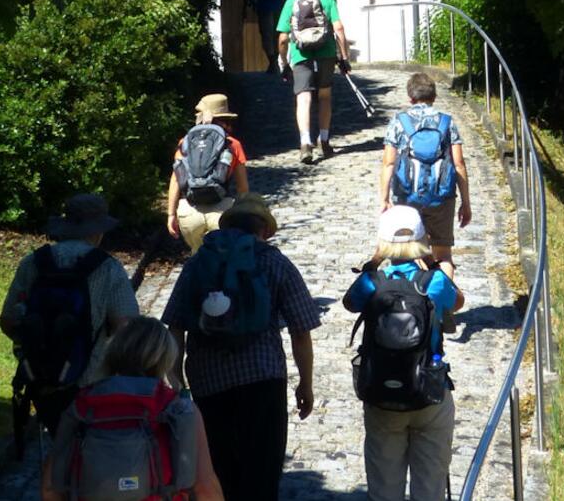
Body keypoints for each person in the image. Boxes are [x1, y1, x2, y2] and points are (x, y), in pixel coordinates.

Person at [162, 194, 320, 501]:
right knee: (262, 471)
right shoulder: (275, 262)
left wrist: (177, 382)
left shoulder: (197, 263)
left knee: (219, 470)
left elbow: (175, 326)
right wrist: (306, 384)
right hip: (262, 378)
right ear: (263, 229)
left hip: (208, 381)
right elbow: (301, 330)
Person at [343, 207, 463, 501]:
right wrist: (434, 264)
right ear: (422, 238)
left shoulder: (371, 283)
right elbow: (457, 301)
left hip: (381, 392)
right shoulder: (432, 283)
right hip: (429, 392)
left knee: (384, 487)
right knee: (430, 487)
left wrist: (373, 262)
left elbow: (349, 302)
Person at [41, 317, 225, 501]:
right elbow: (205, 488)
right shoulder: (177, 409)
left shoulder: (83, 405)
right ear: (165, 359)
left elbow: (50, 488)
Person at [0, 193, 139, 431]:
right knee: (84, 450)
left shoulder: (33, 262)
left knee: (57, 448)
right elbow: (125, 326)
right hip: (92, 381)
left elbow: (8, 321)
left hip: (40, 376)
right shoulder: (108, 268)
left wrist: (41, 345)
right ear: (98, 231)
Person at [378, 73, 471, 285]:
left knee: (408, 253)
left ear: (410, 97)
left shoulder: (399, 122)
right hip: (441, 198)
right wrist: (465, 203)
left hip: (407, 198)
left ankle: (414, 307)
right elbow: (459, 164)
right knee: (443, 255)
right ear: (434, 96)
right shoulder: (447, 122)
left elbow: (389, 163)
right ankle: (442, 308)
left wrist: (384, 198)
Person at [276, 0, 351, 164]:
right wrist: (344, 57)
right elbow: (340, 29)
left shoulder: (290, 3)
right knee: (325, 95)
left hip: (301, 54)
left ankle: (305, 143)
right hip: (325, 53)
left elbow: (283, 39)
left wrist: (283, 62)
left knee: (303, 98)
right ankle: (325, 140)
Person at [166, 94, 250, 252]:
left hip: (190, 213)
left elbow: (176, 180)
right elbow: (242, 188)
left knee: (199, 260)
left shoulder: (185, 143)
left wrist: (171, 214)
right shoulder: (233, 144)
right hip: (221, 212)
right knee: (223, 262)